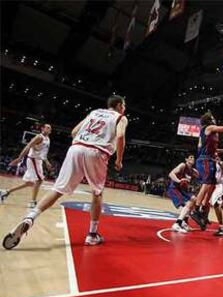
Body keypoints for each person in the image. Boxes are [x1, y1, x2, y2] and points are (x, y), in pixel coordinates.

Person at [2, 95, 128, 249]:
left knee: (57, 189)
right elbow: (120, 136)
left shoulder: (94, 113)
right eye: (124, 105)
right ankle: (92, 235)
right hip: (96, 152)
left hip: (76, 148)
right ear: (120, 105)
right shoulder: (121, 117)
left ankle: (30, 216)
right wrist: (119, 160)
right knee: (97, 193)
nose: (124, 108)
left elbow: (74, 132)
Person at [191, 111, 223, 229]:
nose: (215, 119)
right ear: (209, 120)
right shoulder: (209, 127)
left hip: (208, 159)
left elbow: (210, 148)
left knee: (212, 185)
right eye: (213, 117)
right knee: (207, 183)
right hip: (205, 160)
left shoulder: (210, 133)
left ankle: (204, 211)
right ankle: (196, 210)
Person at [0, 124, 53, 208]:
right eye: (48, 127)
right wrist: (19, 158)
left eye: (50, 128)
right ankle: (33, 202)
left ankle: (6, 192)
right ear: (42, 128)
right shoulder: (38, 137)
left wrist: (47, 162)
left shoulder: (48, 139)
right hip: (33, 160)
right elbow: (28, 146)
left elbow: (43, 153)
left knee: (29, 183)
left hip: (38, 161)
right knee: (39, 181)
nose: (50, 129)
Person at [167, 154, 199, 233]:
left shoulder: (193, 171)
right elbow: (171, 174)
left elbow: (199, 177)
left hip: (183, 190)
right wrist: (179, 180)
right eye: (190, 157)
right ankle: (177, 224)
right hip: (175, 188)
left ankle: (184, 223)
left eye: (193, 157)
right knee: (188, 204)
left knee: (194, 199)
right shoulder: (182, 165)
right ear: (186, 159)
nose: (192, 158)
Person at [209, 155, 223, 236]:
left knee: (216, 204)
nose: (215, 157)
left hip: (218, 186)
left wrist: (220, 164)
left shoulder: (222, 163)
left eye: (217, 156)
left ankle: (222, 227)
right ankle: (204, 220)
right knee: (206, 204)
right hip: (210, 185)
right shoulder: (209, 164)